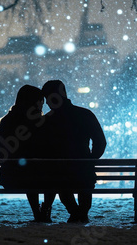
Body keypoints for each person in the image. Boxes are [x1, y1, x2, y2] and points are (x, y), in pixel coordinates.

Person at [42, 80, 106, 223]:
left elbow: (42, 147)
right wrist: (91, 160)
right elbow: (100, 142)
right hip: (84, 171)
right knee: (85, 183)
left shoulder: (47, 120)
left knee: (61, 185)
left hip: (59, 173)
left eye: (48, 98)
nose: (47, 103)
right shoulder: (85, 114)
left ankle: (76, 212)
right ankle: (81, 213)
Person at [0, 85, 56, 222]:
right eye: (41, 101)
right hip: (40, 176)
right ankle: (45, 210)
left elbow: (0, 153)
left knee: (30, 172)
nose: (43, 104)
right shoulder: (42, 123)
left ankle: (37, 212)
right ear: (34, 102)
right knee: (49, 173)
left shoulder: (6, 121)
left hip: (12, 177)